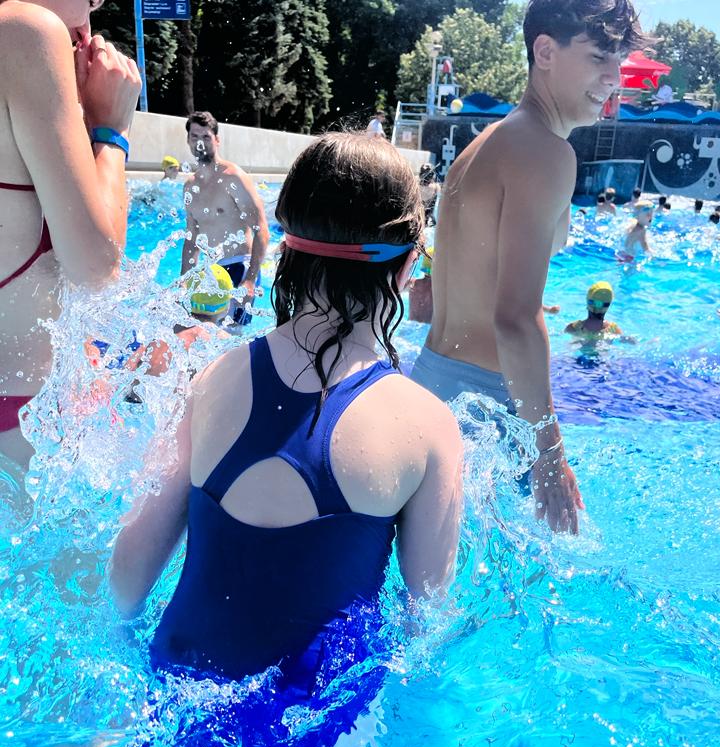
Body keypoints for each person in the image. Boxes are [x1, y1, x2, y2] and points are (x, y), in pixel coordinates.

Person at [110, 130, 463, 699]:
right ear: (406, 266)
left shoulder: (210, 381)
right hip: (321, 731)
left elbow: (128, 573)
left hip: (174, 687)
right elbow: (427, 617)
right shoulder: (426, 426)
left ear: (288, 251)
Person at [410, 0, 644, 535]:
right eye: (599, 56)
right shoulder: (543, 152)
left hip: (433, 386)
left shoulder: (488, 144)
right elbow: (514, 316)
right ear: (545, 51)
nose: (615, 77)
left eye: (620, 61)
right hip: (487, 409)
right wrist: (549, 451)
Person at [0, 0, 141, 463]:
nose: (96, 2)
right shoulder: (25, 30)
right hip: (26, 425)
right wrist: (111, 130)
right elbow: (97, 268)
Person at [181, 111, 269, 324]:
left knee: (230, 336)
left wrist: (250, 279)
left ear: (217, 140)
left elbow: (261, 229)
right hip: (211, 271)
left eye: (206, 137)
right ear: (188, 140)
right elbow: (192, 239)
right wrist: (184, 280)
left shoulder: (234, 178)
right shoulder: (190, 186)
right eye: (195, 137)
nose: (200, 143)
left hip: (239, 267)